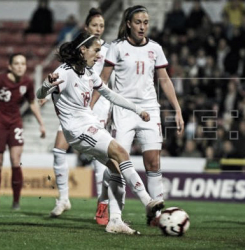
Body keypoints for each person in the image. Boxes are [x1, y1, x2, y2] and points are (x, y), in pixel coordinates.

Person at [36, 31, 163, 235]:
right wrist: (46, 85)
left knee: (115, 169)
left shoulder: (88, 72)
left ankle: (114, 221)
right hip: (78, 129)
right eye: (96, 51)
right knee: (121, 153)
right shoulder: (65, 71)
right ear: (82, 50)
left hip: (88, 124)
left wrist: (138, 110)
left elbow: (110, 94)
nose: (99, 55)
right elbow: (40, 94)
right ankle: (148, 202)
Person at [96, 5, 184, 226]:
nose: (143, 26)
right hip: (123, 110)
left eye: (146, 22)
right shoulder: (116, 47)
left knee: (153, 162)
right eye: (138, 22)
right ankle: (115, 216)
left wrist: (177, 109)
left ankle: (155, 215)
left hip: (149, 110)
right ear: (128, 23)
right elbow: (103, 81)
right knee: (117, 163)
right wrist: (90, 109)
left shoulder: (155, 48)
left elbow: (164, 80)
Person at [44, 8, 112, 226]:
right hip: (76, 105)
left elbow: (104, 79)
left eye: (101, 26)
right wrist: (50, 89)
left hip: (97, 104)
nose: (99, 29)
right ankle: (63, 198)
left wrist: (92, 106)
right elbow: (65, 71)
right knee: (58, 147)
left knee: (99, 155)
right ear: (87, 28)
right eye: (95, 26)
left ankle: (102, 204)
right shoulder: (80, 48)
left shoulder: (108, 50)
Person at [0, 53, 46, 210]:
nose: (20, 66)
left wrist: (41, 123)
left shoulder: (27, 82)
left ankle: (16, 202)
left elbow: (32, 102)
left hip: (15, 124)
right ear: (10, 66)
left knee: (15, 160)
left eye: (23, 64)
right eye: (17, 63)